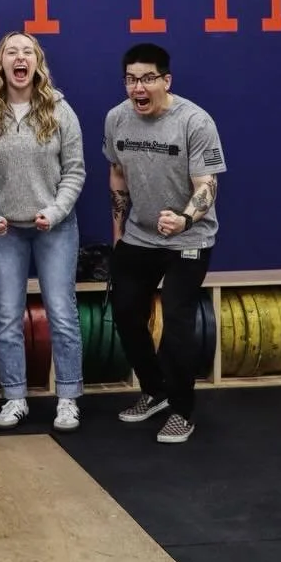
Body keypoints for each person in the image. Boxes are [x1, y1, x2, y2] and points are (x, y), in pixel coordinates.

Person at [104, 42, 226, 444]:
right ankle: (155, 391)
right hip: (139, 236)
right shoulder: (117, 118)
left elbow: (207, 185)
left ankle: (181, 410)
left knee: (176, 320)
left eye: (147, 79)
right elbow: (118, 174)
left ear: (166, 81)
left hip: (188, 238)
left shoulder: (195, 122)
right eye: (131, 80)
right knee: (125, 312)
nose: (138, 88)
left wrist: (185, 218)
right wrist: (119, 234)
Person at [0, 31, 86, 431]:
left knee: (62, 313)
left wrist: (56, 211)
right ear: (1, 63)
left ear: (37, 62)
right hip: (4, 233)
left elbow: (75, 172)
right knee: (5, 317)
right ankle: (14, 398)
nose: (20, 58)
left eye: (27, 52)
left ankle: (68, 398)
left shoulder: (60, 110)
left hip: (55, 229)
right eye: (12, 52)